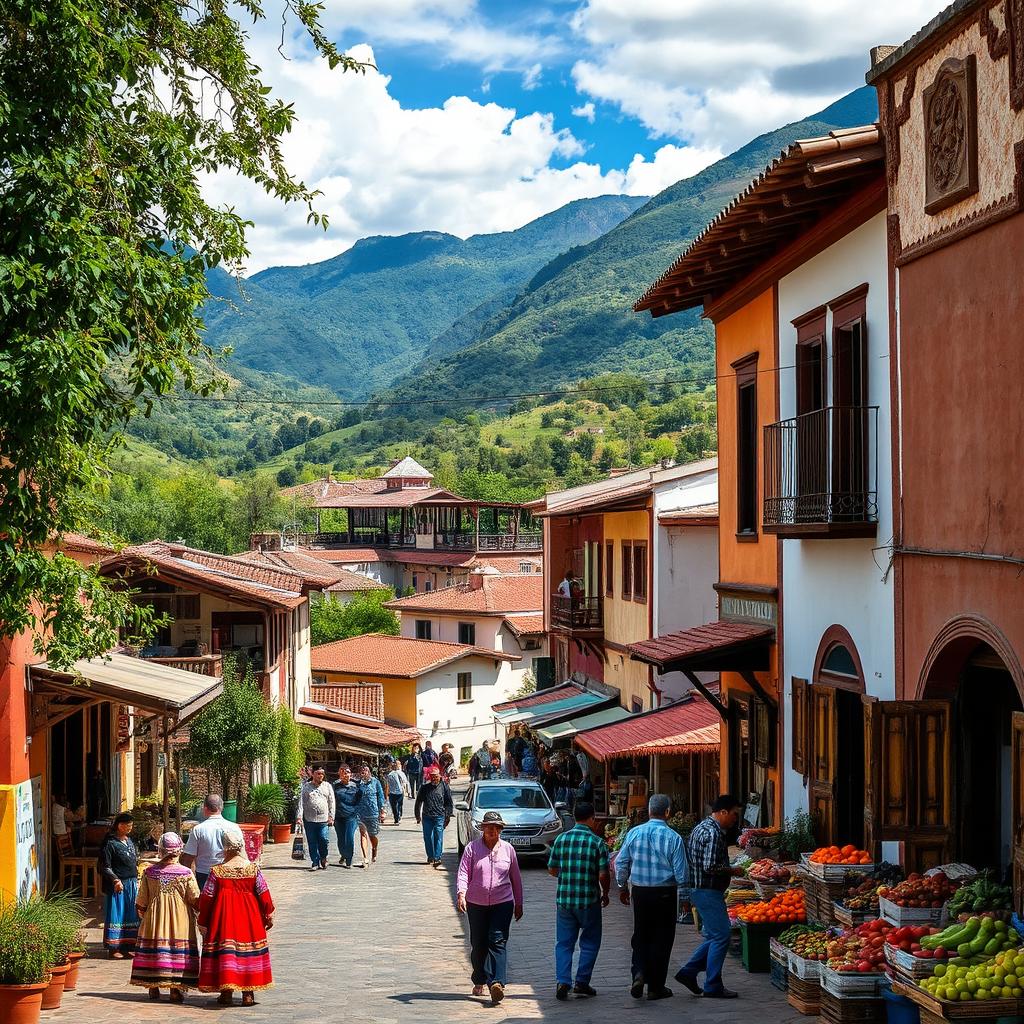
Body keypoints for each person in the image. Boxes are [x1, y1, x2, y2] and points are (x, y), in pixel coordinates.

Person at [615, 793, 689, 1001]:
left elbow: (620, 863)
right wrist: (684, 899)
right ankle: (656, 987)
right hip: (665, 893)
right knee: (662, 939)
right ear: (668, 812)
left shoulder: (634, 833)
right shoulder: (674, 837)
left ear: (649, 811)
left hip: (640, 892)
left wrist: (622, 886)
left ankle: (638, 973)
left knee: (641, 934)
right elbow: (681, 873)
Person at [674, 795, 745, 1000]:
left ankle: (688, 972)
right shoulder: (713, 833)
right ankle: (712, 984)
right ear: (722, 812)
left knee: (716, 936)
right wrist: (734, 870)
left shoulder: (702, 827)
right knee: (722, 936)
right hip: (707, 890)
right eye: (733, 814)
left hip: (702, 890)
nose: (734, 819)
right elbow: (710, 866)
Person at [197, 830, 274, 1007]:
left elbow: (207, 899)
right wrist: (267, 914)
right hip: (249, 918)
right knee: (247, 952)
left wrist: (203, 920)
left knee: (227, 952)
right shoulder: (253, 869)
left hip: (224, 919)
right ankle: (248, 994)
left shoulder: (217, 872)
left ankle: (226, 993)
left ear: (224, 847)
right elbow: (264, 895)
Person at [456, 810, 524, 1005]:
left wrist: (519, 903)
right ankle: (479, 979)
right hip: (476, 903)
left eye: (495, 828)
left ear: (500, 830)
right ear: (483, 829)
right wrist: (461, 893)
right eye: (488, 828)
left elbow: (516, 879)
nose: (492, 831)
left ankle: (497, 983)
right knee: (478, 944)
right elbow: (462, 873)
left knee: (498, 940)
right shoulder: (472, 849)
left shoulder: (508, 850)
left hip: (502, 902)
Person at [547, 801, 610, 1000]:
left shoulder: (561, 839)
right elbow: (603, 875)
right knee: (590, 942)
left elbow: (552, 869)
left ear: (574, 817)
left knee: (564, 943)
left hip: (565, 900)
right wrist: (605, 893)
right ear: (591, 818)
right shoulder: (597, 842)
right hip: (589, 900)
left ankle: (563, 981)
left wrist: (567, 876)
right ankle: (582, 982)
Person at [131, 832, 201, 1003]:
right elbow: (195, 899)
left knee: (155, 947)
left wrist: (143, 915)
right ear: (178, 851)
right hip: (180, 919)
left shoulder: (149, 872)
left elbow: (141, 902)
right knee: (175, 950)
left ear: (161, 850)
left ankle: (153, 987)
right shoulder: (185, 873)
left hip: (154, 917)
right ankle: (175, 989)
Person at [99, 811, 140, 958]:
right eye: (127, 825)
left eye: (131, 825)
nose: (130, 827)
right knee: (117, 915)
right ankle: (114, 948)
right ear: (119, 826)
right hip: (118, 885)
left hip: (131, 883)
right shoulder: (110, 843)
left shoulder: (129, 841)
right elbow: (105, 866)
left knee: (130, 915)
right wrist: (115, 879)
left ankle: (128, 945)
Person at [181, 794, 243, 892]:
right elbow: (241, 853)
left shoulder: (198, 830)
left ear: (205, 808)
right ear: (221, 807)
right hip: (229, 874)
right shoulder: (235, 827)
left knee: (207, 906)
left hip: (205, 875)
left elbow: (189, 857)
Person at [414, 764, 453, 867]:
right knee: (427, 837)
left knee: (438, 836)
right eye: (432, 776)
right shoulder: (425, 788)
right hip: (427, 816)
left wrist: (448, 816)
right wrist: (417, 816)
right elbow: (418, 802)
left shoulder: (444, 786)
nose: (434, 778)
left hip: (440, 816)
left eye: (436, 776)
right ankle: (430, 856)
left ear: (439, 776)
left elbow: (449, 802)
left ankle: (437, 857)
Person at [300, 766, 335, 871]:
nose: (320, 776)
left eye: (322, 774)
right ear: (313, 774)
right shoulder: (306, 787)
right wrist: (299, 817)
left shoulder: (327, 786)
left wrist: (331, 816)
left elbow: (331, 802)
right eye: (318, 773)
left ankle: (323, 857)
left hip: (323, 819)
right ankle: (315, 862)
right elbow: (301, 802)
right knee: (312, 841)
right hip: (309, 819)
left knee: (323, 839)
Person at [356, 763, 386, 865]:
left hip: (373, 812)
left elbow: (381, 797)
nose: (364, 773)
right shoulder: (357, 784)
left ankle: (374, 849)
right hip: (360, 813)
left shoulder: (375, 782)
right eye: (362, 771)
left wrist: (382, 810)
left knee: (372, 835)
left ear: (369, 772)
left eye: (366, 771)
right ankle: (365, 857)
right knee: (363, 834)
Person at [333, 765, 361, 867]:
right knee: (340, 838)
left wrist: (356, 811)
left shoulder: (356, 786)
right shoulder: (335, 785)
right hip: (338, 816)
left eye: (347, 772)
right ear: (339, 774)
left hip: (351, 816)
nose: (345, 774)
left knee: (349, 837)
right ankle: (343, 854)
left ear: (351, 774)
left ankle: (349, 859)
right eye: (343, 772)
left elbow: (360, 799)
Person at [385, 761, 411, 825]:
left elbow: (405, 782)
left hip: (396, 793)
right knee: (398, 806)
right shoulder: (394, 774)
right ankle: (397, 817)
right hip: (396, 793)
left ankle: (397, 818)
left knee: (396, 806)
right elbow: (406, 782)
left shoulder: (392, 774)